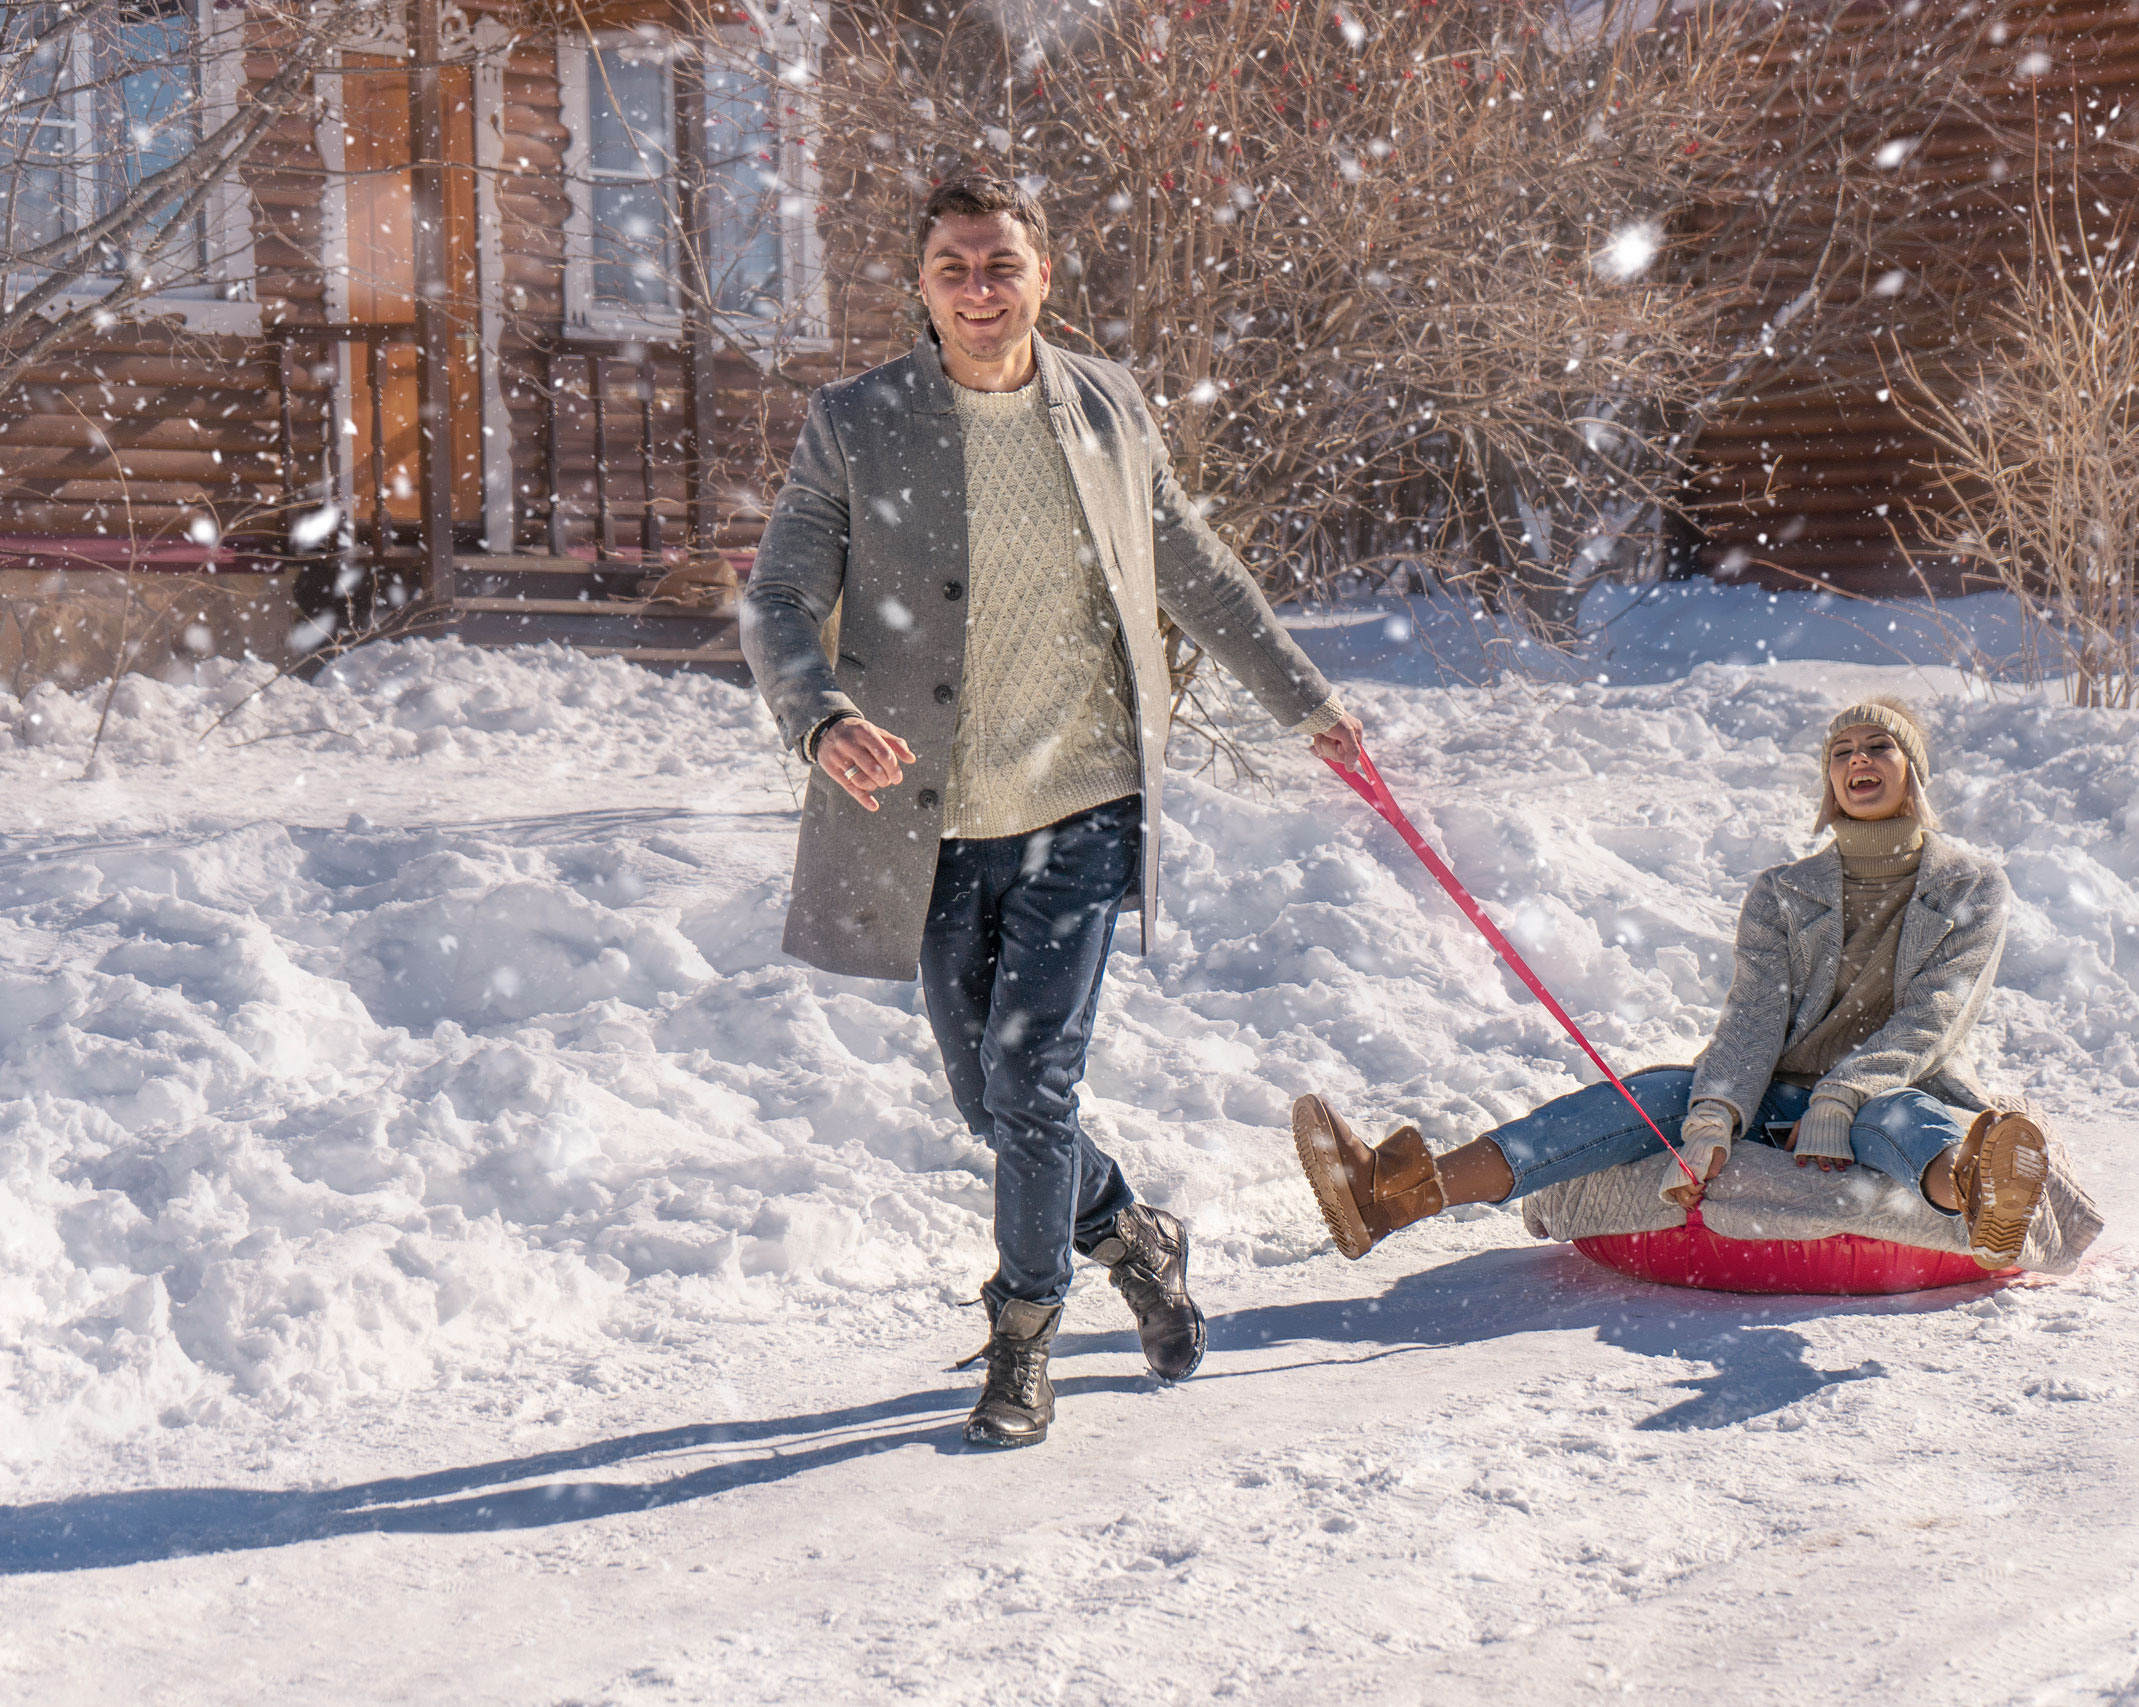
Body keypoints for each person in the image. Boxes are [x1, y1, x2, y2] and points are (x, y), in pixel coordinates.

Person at [741, 175, 1364, 1448]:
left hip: (1081, 803)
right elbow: (780, 598)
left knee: (1031, 1082)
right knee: (993, 1104)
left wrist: (1306, 702)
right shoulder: (855, 423)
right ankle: (1132, 1231)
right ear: (921, 289)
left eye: (1000, 265)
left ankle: (1024, 1338)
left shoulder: (1107, 406)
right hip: (927, 823)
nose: (981, 289)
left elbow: (1190, 563)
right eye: (954, 269)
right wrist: (817, 712)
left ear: (1043, 275)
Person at [1292, 697, 2051, 1269]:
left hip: (1895, 1085)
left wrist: (1841, 1095)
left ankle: (1979, 1195)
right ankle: (1392, 1192)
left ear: (1910, 768)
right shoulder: (1784, 892)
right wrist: (1712, 1125)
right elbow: (1752, 1021)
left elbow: (1932, 1019)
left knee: (1906, 1122)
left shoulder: (1970, 886)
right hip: (1773, 1093)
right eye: (1841, 750)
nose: (1859, 759)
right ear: (1827, 778)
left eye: (1879, 745)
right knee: (1641, 1097)